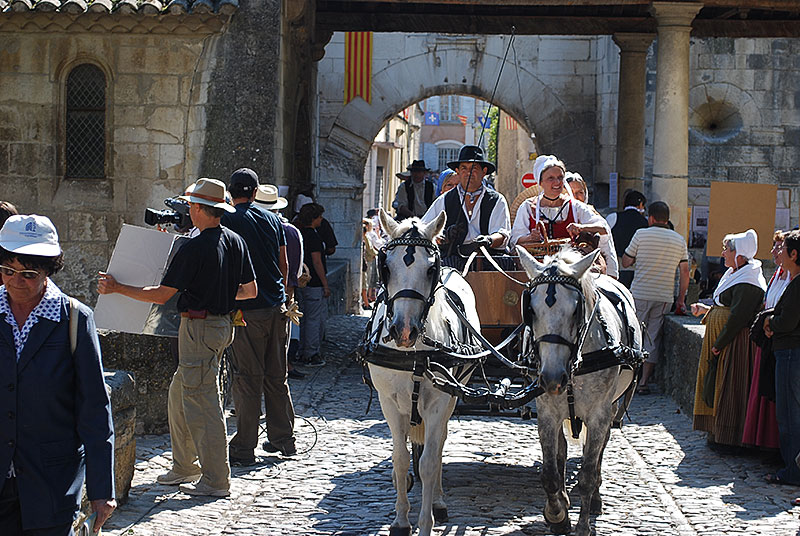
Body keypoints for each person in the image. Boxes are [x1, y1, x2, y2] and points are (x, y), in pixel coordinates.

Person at [98, 178, 257, 497]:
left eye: (190, 206)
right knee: (179, 393)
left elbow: (160, 295)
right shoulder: (236, 241)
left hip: (199, 330)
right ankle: (185, 466)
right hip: (220, 328)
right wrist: (220, 296)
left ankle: (216, 480)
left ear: (198, 208)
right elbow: (250, 291)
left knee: (204, 404)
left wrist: (117, 288)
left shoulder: (196, 247)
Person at [0, 214, 116, 536]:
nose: (15, 281)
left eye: (28, 274)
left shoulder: (75, 320)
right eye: (8, 270)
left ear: (49, 271)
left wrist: (101, 490)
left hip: (52, 486)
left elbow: (94, 407)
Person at [221, 169, 297, 463]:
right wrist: (283, 297)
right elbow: (284, 263)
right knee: (277, 376)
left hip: (246, 309)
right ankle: (284, 439)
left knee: (247, 378)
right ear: (254, 193)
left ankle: (244, 446)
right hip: (276, 307)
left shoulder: (228, 219)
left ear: (231, 193)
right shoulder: (273, 219)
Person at [690, 229, 766, 451]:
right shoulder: (736, 273)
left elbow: (738, 317)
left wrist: (719, 344)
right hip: (726, 340)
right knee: (717, 382)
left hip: (736, 343)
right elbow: (726, 306)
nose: (723, 253)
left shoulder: (749, 280)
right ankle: (715, 431)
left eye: (727, 250)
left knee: (730, 386)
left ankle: (730, 437)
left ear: (740, 255)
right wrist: (708, 310)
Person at [621, 201, 690, 394]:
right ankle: (643, 382)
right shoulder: (679, 240)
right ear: (667, 219)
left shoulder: (641, 235)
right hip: (664, 296)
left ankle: (629, 381)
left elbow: (626, 262)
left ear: (650, 218)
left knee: (633, 336)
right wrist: (681, 300)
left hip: (640, 294)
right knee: (653, 339)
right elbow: (685, 273)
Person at [510, 155, 617, 275]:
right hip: (538, 269)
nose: (557, 182)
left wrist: (582, 227)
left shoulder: (574, 206)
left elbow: (603, 227)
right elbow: (515, 240)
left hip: (570, 268)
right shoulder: (528, 207)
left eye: (560, 177)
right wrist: (530, 238)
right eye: (551, 178)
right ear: (540, 182)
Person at [420, 145, 510, 269]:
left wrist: (488, 240)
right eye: (464, 168)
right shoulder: (445, 200)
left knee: (506, 264)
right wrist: (444, 236)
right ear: (457, 171)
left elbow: (503, 234)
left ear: (483, 172)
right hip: (454, 258)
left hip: (489, 257)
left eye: (474, 168)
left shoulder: (497, 200)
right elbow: (423, 230)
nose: (468, 173)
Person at [742, 231, 788, 450]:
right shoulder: (778, 274)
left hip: (782, 340)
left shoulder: (792, 278)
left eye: (779, 248)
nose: (774, 252)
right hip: (769, 340)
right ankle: (763, 442)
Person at [255, 185, 305, 380]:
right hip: (283, 299)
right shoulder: (292, 232)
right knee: (278, 356)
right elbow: (296, 272)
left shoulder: (250, 228)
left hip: (252, 301)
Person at [763, 229, 800, 485]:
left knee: (789, 415)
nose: (778, 252)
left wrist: (770, 323)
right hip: (788, 351)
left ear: (794, 254)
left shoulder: (798, 284)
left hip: (790, 352)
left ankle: (792, 470)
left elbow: (788, 320)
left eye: (783, 248)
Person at [564, 172, 620, 279]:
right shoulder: (559, 217)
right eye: (571, 192)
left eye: (580, 192)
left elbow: (608, 251)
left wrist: (611, 277)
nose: (576, 196)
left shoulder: (594, 218)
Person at [296, 203, 329, 367]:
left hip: (301, 282)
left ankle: (302, 351)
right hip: (314, 283)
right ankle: (311, 353)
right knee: (313, 320)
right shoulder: (313, 236)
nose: (321, 219)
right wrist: (325, 284)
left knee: (303, 319)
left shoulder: (299, 233)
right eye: (320, 217)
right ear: (313, 218)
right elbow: (317, 262)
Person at [607, 190, 648, 288]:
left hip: (616, 268)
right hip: (638, 270)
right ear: (640, 204)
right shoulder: (646, 222)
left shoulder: (613, 217)